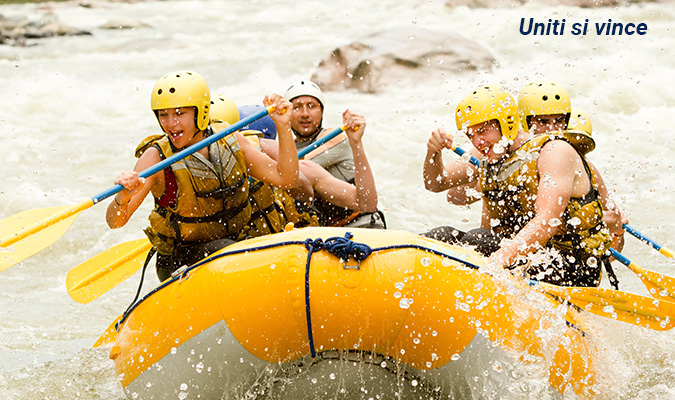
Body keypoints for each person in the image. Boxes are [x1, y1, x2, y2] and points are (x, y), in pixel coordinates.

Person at [106, 70, 298, 282]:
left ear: (202, 112)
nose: (170, 124)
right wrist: (121, 199)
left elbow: (286, 178)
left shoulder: (229, 139)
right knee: (227, 251)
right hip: (182, 258)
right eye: (163, 115)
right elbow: (115, 222)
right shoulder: (156, 158)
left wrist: (283, 125)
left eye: (179, 113)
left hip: (236, 244)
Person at [423, 84, 615, 288]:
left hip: (572, 268)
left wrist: (494, 264)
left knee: (479, 239)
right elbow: (436, 183)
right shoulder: (489, 151)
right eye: (471, 135)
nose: (477, 142)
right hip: (523, 257)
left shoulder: (554, 151)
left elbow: (546, 221)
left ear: (508, 124)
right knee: (442, 236)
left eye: (483, 131)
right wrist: (433, 152)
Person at [261, 80, 385, 228]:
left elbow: (295, 167)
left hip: (362, 222)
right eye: (297, 107)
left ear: (321, 111)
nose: (305, 114)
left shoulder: (336, 137)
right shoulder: (287, 148)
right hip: (326, 231)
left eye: (311, 106)